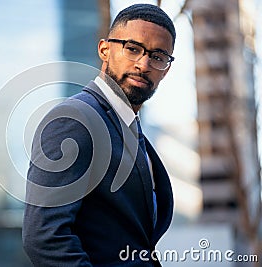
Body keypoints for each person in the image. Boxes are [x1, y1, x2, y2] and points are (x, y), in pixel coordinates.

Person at [23, 3, 175, 266]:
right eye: (133, 49)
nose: (144, 63)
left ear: (166, 68)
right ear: (105, 49)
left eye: (158, 56)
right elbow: (45, 238)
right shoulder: (73, 120)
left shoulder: (131, 129)